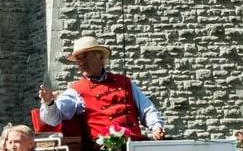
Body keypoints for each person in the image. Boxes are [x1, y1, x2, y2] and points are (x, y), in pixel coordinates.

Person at [37, 35, 167, 143]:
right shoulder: (76, 91)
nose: (81, 62)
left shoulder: (125, 82)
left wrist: (156, 127)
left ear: (99, 55)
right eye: (78, 58)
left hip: (136, 143)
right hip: (106, 148)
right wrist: (49, 103)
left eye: (85, 56)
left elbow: (147, 109)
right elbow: (53, 119)